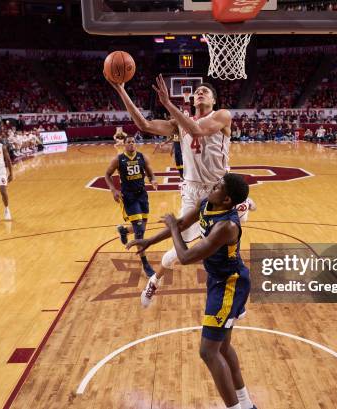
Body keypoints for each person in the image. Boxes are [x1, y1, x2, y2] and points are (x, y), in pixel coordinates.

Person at [127, 173, 257, 409]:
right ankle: (246, 405)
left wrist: (172, 227)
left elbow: (185, 257)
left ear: (227, 199)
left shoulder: (227, 226)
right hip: (219, 280)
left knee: (208, 352)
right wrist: (150, 241)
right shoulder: (207, 203)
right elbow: (183, 224)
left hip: (230, 284)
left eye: (218, 186)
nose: (213, 187)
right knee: (223, 347)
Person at [107, 75, 232, 307]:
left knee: (223, 243)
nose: (200, 93)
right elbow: (144, 125)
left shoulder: (221, 115)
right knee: (180, 247)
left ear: (214, 100)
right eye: (197, 92)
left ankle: (231, 297)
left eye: (205, 91)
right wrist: (122, 91)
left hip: (219, 189)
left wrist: (167, 103)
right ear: (193, 100)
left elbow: (196, 130)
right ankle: (154, 280)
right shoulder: (178, 125)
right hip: (193, 191)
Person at [106, 135, 159, 277]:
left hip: (142, 195)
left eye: (133, 142)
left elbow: (149, 171)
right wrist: (113, 189)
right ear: (124, 145)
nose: (131, 144)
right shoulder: (118, 159)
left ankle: (124, 230)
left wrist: (153, 179)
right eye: (128, 142)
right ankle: (145, 263)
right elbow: (107, 174)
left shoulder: (142, 157)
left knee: (142, 226)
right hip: (129, 197)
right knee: (140, 232)